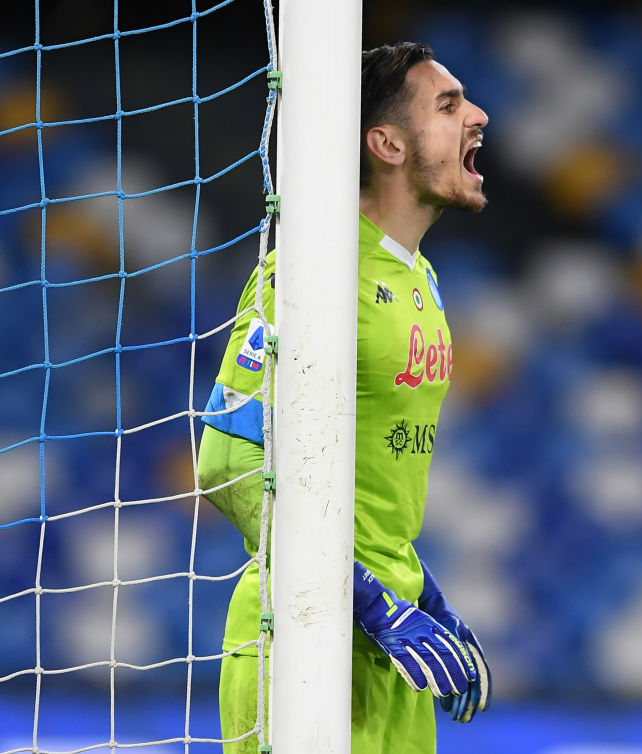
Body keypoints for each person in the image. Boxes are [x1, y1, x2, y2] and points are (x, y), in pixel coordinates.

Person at [196, 41, 492, 754]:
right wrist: (362, 596)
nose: (477, 117)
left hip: (392, 652)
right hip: (301, 643)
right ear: (385, 143)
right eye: (448, 106)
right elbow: (225, 464)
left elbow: (372, 482)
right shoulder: (309, 268)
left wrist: (417, 593)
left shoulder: (421, 279)